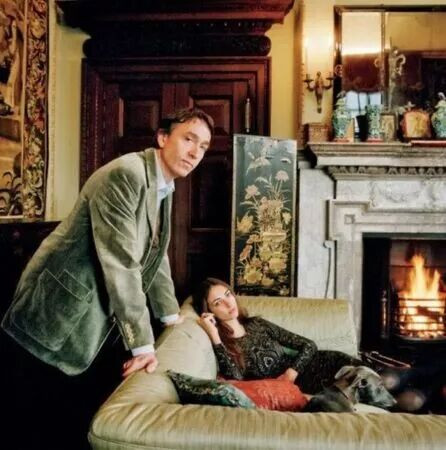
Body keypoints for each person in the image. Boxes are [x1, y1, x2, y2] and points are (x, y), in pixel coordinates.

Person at [1, 107, 214, 449]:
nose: (195, 152)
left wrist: (172, 317)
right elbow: (122, 262)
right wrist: (143, 345)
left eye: (203, 146)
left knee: (64, 420)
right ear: (162, 137)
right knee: (28, 422)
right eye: (188, 139)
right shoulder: (126, 174)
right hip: (53, 311)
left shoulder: (163, 185)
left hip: (88, 316)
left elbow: (156, 256)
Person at [193, 277, 365, 394]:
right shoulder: (224, 346)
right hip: (314, 385)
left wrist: (291, 373)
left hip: (325, 362)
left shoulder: (257, 324)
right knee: (372, 387)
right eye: (218, 303)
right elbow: (235, 379)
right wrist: (214, 335)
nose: (228, 303)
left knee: (374, 375)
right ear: (209, 311)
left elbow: (309, 345)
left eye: (228, 294)